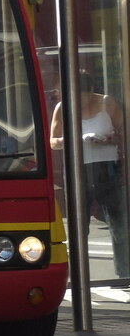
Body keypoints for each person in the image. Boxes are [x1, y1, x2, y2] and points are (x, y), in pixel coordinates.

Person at [50, 70, 128, 283]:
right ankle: (77, 272)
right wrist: (72, 138)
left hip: (106, 166)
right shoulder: (63, 107)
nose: (79, 101)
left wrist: (110, 139)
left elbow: (123, 133)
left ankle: (124, 272)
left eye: (82, 96)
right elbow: (52, 142)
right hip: (78, 168)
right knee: (78, 222)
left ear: (92, 91)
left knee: (117, 220)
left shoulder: (106, 103)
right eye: (74, 95)